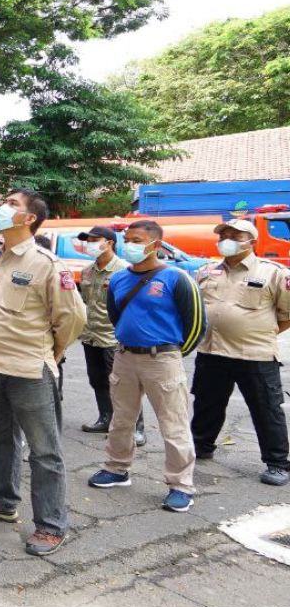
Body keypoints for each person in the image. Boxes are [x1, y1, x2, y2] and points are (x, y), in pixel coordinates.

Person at [0, 190, 86, 556]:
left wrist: (51, 353)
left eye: (12, 204)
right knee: (1, 440)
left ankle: (51, 524)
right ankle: (1, 499)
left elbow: (72, 319)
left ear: (29, 219)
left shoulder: (46, 263)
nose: (2, 208)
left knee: (45, 451)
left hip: (29, 369)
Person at [87, 220, 206, 513]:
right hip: (125, 357)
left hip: (162, 360)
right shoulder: (118, 279)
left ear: (155, 244)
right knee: (122, 419)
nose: (130, 244)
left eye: (137, 239)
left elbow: (197, 325)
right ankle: (116, 468)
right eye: (127, 239)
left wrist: (172, 354)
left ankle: (181, 485)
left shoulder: (177, 278)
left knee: (173, 423)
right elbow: (116, 317)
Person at [191, 219, 290, 486]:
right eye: (223, 234)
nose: (227, 238)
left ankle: (278, 463)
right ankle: (201, 447)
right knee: (206, 404)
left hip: (255, 355)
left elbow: (287, 314)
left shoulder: (274, 273)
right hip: (212, 351)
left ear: (252, 241)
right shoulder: (207, 271)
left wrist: (258, 333)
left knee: (266, 409)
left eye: (235, 235)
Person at [76, 226, 144, 444]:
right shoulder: (87, 271)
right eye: (88, 240)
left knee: (123, 385)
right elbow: (85, 302)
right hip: (91, 335)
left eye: (95, 239)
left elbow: (134, 307)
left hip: (113, 337)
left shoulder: (125, 271)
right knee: (97, 381)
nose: (90, 244)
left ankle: (136, 428)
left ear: (110, 242)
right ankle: (106, 417)